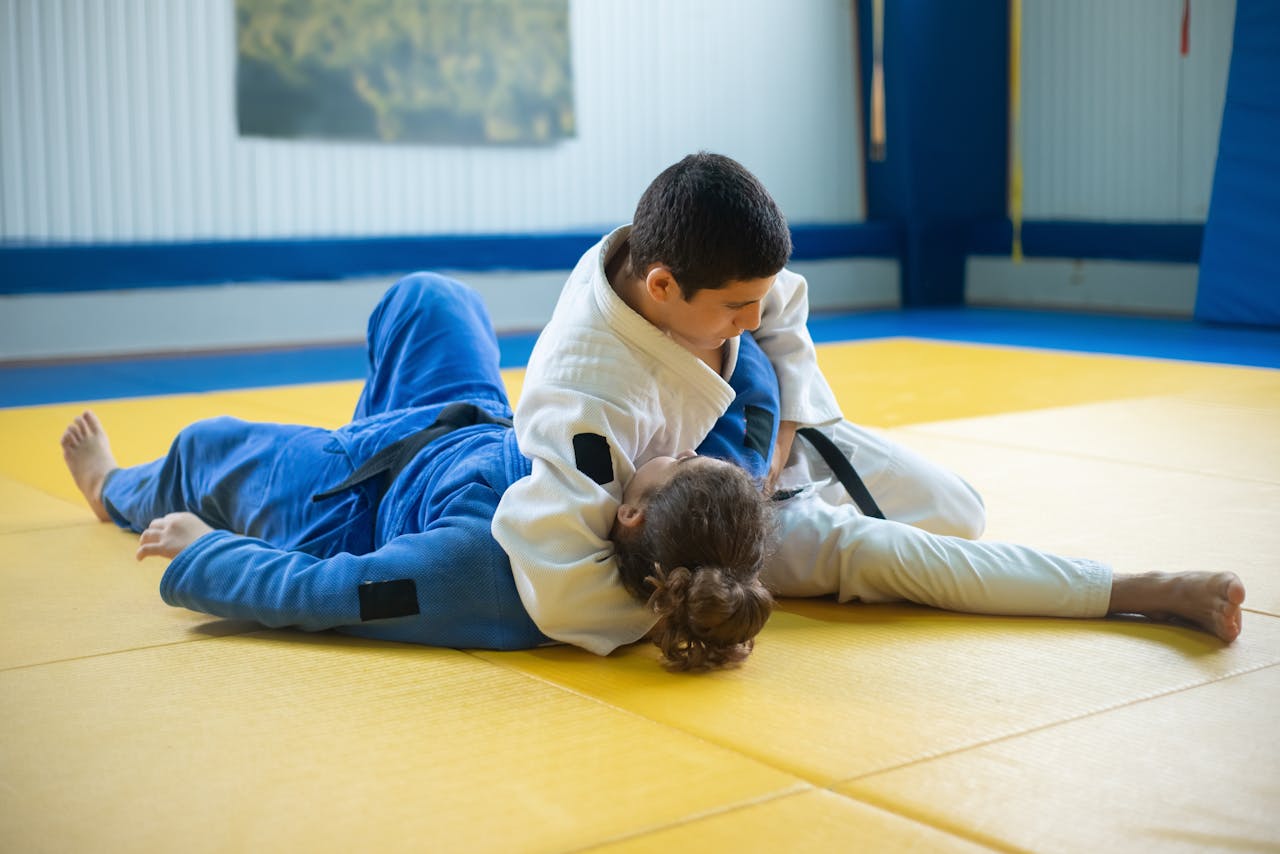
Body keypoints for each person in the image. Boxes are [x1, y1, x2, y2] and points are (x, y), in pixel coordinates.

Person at [60, 274, 776, 669]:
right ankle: (364, 414)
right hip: (463, 424)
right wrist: (745, 310)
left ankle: (110, 489)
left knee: (201, 446)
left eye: (681, 458)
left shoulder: (482, 579)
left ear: (632, 513)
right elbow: (745, 405)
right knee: (432, 298)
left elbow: (328, 593)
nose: (678, 445)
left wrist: (204, 553)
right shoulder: (683, 513)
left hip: (348, 496)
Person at [492, 152, 986, 655]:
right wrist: (700, 605)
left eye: (757, 300)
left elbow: (783, 304)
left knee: (957, 512)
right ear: (661, 285)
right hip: (701, 519)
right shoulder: (585, 395)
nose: (754, 321)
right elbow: (561, 591)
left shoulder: (695, 258)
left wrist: (785, 433)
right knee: (886, 557)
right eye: (735, 307)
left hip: (769, 443)